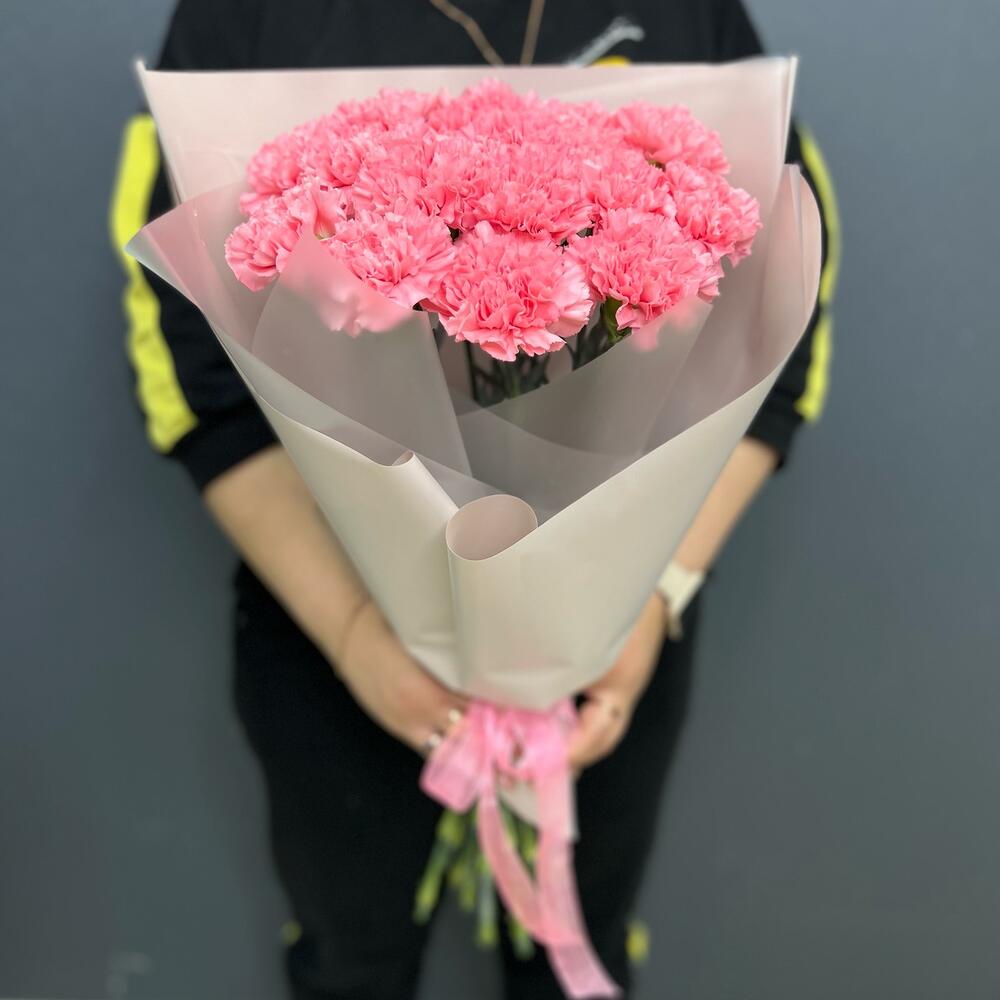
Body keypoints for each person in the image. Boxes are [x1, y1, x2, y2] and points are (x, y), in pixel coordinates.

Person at [110, 2, 838, 997]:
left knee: (577, 954)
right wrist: (354, 631)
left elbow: (787, 309)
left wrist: (652, 592)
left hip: (612, 647)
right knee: (350, 960)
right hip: (329, 625)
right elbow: (193, 371)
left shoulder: (693, 13)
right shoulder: (245, 18)